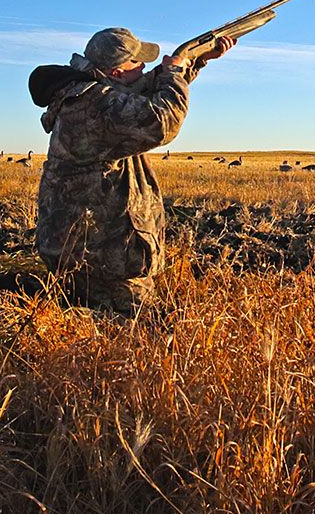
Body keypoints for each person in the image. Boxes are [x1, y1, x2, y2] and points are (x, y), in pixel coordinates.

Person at [29, 27, 231, 312]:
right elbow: (161, 120)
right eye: (136, 62)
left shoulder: (86, 94)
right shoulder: (95, 104)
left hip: (85, 251)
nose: (144, 66)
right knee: (135, 334)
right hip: (104, 260)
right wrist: (173, 73)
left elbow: (144, 93)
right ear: (116, 73)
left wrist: (195, 60)